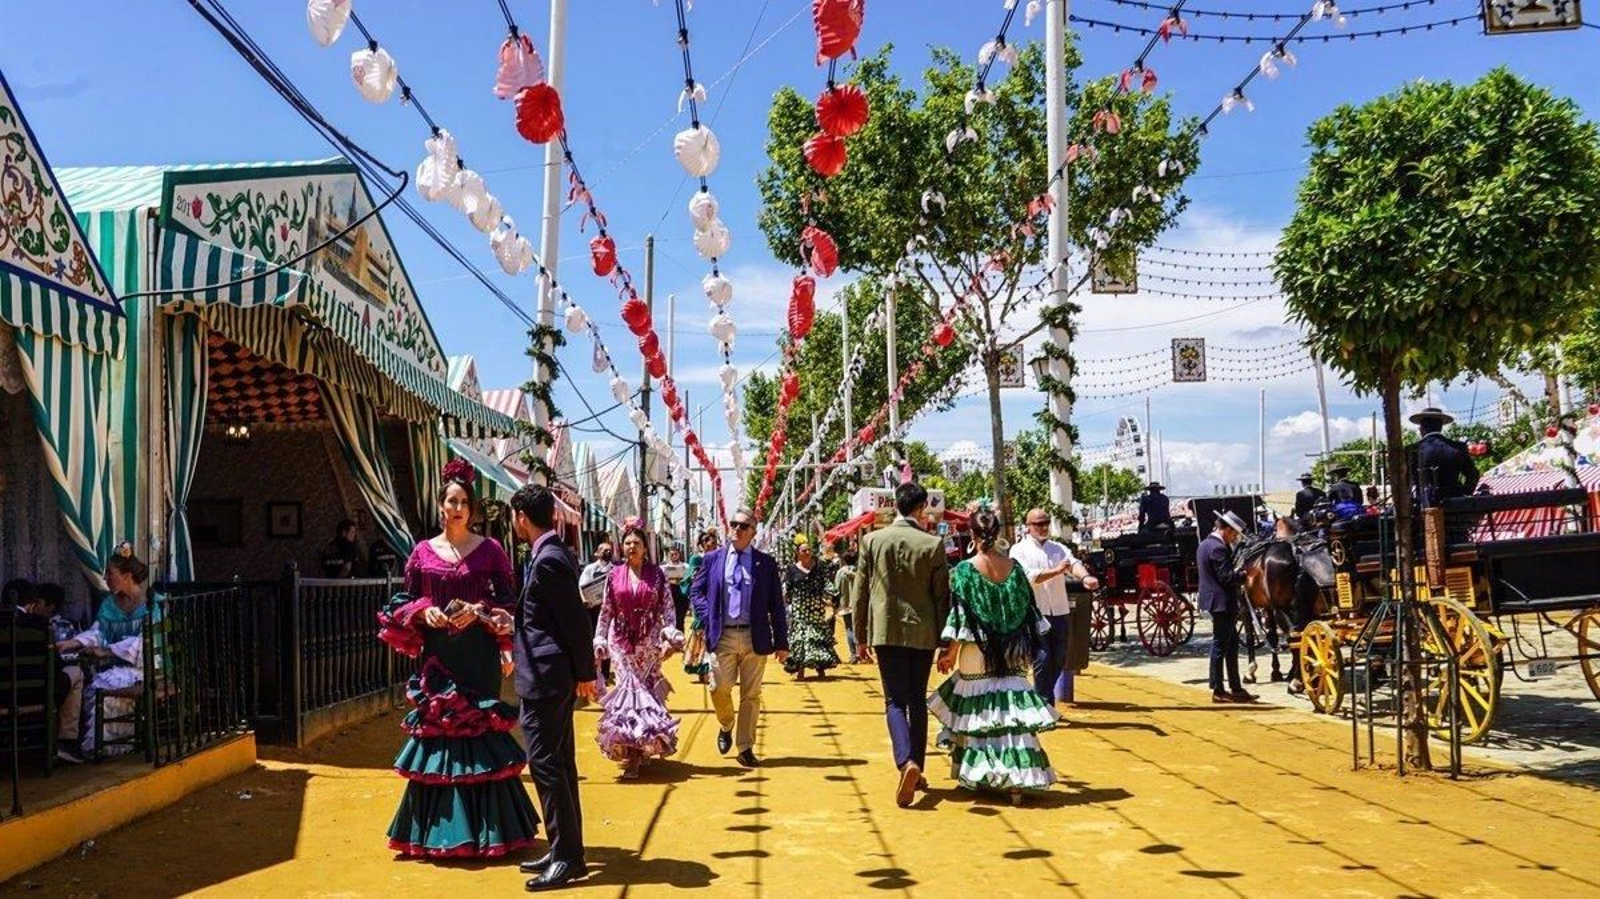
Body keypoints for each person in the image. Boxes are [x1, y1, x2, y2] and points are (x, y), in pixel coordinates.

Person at [376, 459, 538, 861]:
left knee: (478, 731)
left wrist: (481, 610)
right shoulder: (422, 552)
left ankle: (491, 833)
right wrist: (423, 610)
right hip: (438, 657)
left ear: (473, 508)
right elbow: (404, 599)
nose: (458, 507)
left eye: (464, 501)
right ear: (441, 506)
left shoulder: (491, 551)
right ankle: (438, 833)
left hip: (478, 656)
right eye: (451, 501)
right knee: (440, 734)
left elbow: (508, 601)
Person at [929, 509, 1059, 804]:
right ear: (998, 533)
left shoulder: (964, 570)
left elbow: (961, 618)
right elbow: (1029, 613)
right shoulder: (1014, 568)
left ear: (973, 535)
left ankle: (981, 774)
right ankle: (1016, 782)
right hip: (1012, 650)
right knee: (1009, 714)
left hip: (978, 651)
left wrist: (948, 653)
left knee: (981, 715)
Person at [509, 483, 600, 892]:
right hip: (545, 675)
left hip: (548, 679)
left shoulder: (548, 560)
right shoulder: (549, 556)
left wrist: (586, 673)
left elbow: (576, 622)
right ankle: (565, 849)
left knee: (548, 766)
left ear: (522, 518)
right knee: (557, 765)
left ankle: (567, 857)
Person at [853, 481, 951, 808]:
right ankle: (917, 766)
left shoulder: (872, 541)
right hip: (922, 632)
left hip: (885, 630)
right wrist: (945, 639)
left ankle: (904, 761)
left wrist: (860, 635)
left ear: (895, 504)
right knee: (916, 700)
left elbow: (861, 592)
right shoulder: (932, 544)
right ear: (921, 507)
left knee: (894, 701)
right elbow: (942, 597)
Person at [690, 509, 788, 768]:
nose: (737, 529)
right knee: (718, 687)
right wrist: (707, 615)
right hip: (722, 636)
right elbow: (696, 591)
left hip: (754, 637)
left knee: (751, 695)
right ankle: (726, 724)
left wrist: (782, 642)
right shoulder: (712, 560)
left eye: (744, 526)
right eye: (733, 524)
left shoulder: (765, 564)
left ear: (753, 534)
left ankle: (745, 746)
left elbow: (776, 605)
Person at [54, 543, 163, 760]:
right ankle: (99, 746)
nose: (105, 578)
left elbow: (146, 643)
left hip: (144, 668)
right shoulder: (108, 605)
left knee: (108, 684)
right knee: (99, 684)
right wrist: (73, 642)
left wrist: (106, 650)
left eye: (110, 573)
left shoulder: (150, 604)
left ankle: (114, 745)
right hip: (116, 667)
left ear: (127, 575)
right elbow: (98, 632)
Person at [593, 522, 682, 779]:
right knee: (628, 696)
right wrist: (599, 638)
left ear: (645, 548)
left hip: (648, 644)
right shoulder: (614, 575)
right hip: (620, 643)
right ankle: (631, 754)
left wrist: (669, 636)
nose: (632, 547)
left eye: (637, 543)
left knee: (646, 696)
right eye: (628, 543)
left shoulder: (658, 575)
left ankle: (642, 746)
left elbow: (667, 609)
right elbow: (606, 609)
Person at [1009, 508, 1099, 705]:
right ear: (1028, 526)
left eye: (1046, 523)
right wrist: (1057, 570)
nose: (1043, 528)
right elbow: (1029, 577)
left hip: (1059, 610)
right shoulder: (1018, 550)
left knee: (1060, 657)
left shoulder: (1057, 548)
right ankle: (1045, 703)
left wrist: (1085, 577)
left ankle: (1040, 696)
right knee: (1042, 657)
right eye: (1038, 524)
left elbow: (1073, 563)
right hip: (1035, 613)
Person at [1197, 510, 1257, 705]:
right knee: (1221, 646)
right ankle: (1218, 689)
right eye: (1234, 534)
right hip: (1222, 602)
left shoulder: (1205, 544)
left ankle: (1235, 687)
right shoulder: (1218, 548)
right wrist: (1245, 574)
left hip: (1218, 601)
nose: (1235, 538)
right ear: (1228, 529)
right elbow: (1226, 578)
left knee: (1230, 646)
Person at [783, 537, 841, 680]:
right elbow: (787, 588)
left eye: (809, 550)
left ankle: (820, 667)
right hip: (799, 608)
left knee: (817, 636)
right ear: (798, 553)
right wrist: (786, 600)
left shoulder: (819, 567)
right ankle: (800, 668)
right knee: (800, 637)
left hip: (815, 607)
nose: (807, 552)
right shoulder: (791, 569)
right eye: (804, 550)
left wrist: (834, 595)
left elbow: (826, 582)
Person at [1410, 407, 1479, 508]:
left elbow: (1404, 481)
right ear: (1441, 426)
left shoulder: (1413, 450)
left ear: (1422, 428)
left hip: (1424, 508)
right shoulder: (1458, 448)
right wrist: (1463, 493)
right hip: (1455, 506)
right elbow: (1473, 475)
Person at [681, 531, 719, 683]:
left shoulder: (721, 557)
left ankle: (710, 668)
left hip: (717, 599)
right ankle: (700, 667)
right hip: (701, 600)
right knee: (701, 632)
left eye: (714, 543)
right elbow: (688, 580)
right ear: (702, 545)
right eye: (708, 543)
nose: (711, 546)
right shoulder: (696, 559)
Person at [579, 544, 614, 681]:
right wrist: (585, 601)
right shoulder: (589, 569)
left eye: (609, 550)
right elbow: (581, 587)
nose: (607, 552)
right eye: (604, 550)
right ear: (597, 553)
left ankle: (605, 673)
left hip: (609, 611)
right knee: (592, 639)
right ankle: (592, 671)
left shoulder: (614, 570)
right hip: (592, 610)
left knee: (607, 639)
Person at [832, 543, 860, 664]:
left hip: (845, 605)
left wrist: (834, 604)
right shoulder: (859, 572)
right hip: (858, 604)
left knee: (849, 629)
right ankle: (861, 652)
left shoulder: (840, 573)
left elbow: (835, 589)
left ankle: (853, 654)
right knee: (859, 629)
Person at [662, 545, 690, 632]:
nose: (674, 556)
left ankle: (680, 638)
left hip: (681, 594)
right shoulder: (664, 567)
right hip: (670, 594)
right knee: (670, 618)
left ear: (679, 554)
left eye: (675, 554)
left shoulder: (686, 566)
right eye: (671, 554)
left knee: (680, 619)